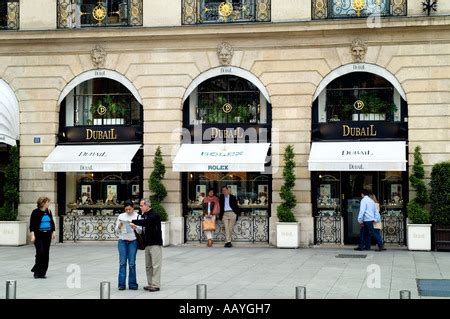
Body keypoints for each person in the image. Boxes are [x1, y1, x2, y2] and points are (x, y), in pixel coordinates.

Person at [130, 199, 162, 292]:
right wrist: (136, 227)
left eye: (141, 205)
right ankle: (150, 283)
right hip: (147, 243)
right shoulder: (144, 216)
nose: (140, 207)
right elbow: (142, 229)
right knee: (148, 266)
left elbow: (147, 222)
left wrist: (132, 221)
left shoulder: (154, 215)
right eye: (140, 206)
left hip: (155, 243)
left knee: (155, 265)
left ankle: (156, 285)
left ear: (147, 205)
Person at [115, 200, 139, 290]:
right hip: (122, 241)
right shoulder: (121, 216)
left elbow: (141, 231)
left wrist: (135, 227)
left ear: (133, 207)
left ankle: (132, 284)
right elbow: (116, 231)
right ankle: (121, 284)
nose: (128, 211)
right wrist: (120, 226)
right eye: (126, 209)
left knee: (132, 263)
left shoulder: (137, 216)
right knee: (122, 263)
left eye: (130, 209)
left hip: (133, 241)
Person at [29, 196, 56, 279]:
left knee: (46, 254)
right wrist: (32, 235)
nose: (49, 204)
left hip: (47, 235)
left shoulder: (49, 211)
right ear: (43, 203)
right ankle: (36, 271)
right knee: (40, 252)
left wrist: (53, 232)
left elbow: (51, 222)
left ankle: (42, 273)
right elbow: (32, 225)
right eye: (48, 202)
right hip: (38, 235)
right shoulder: (35, 212)